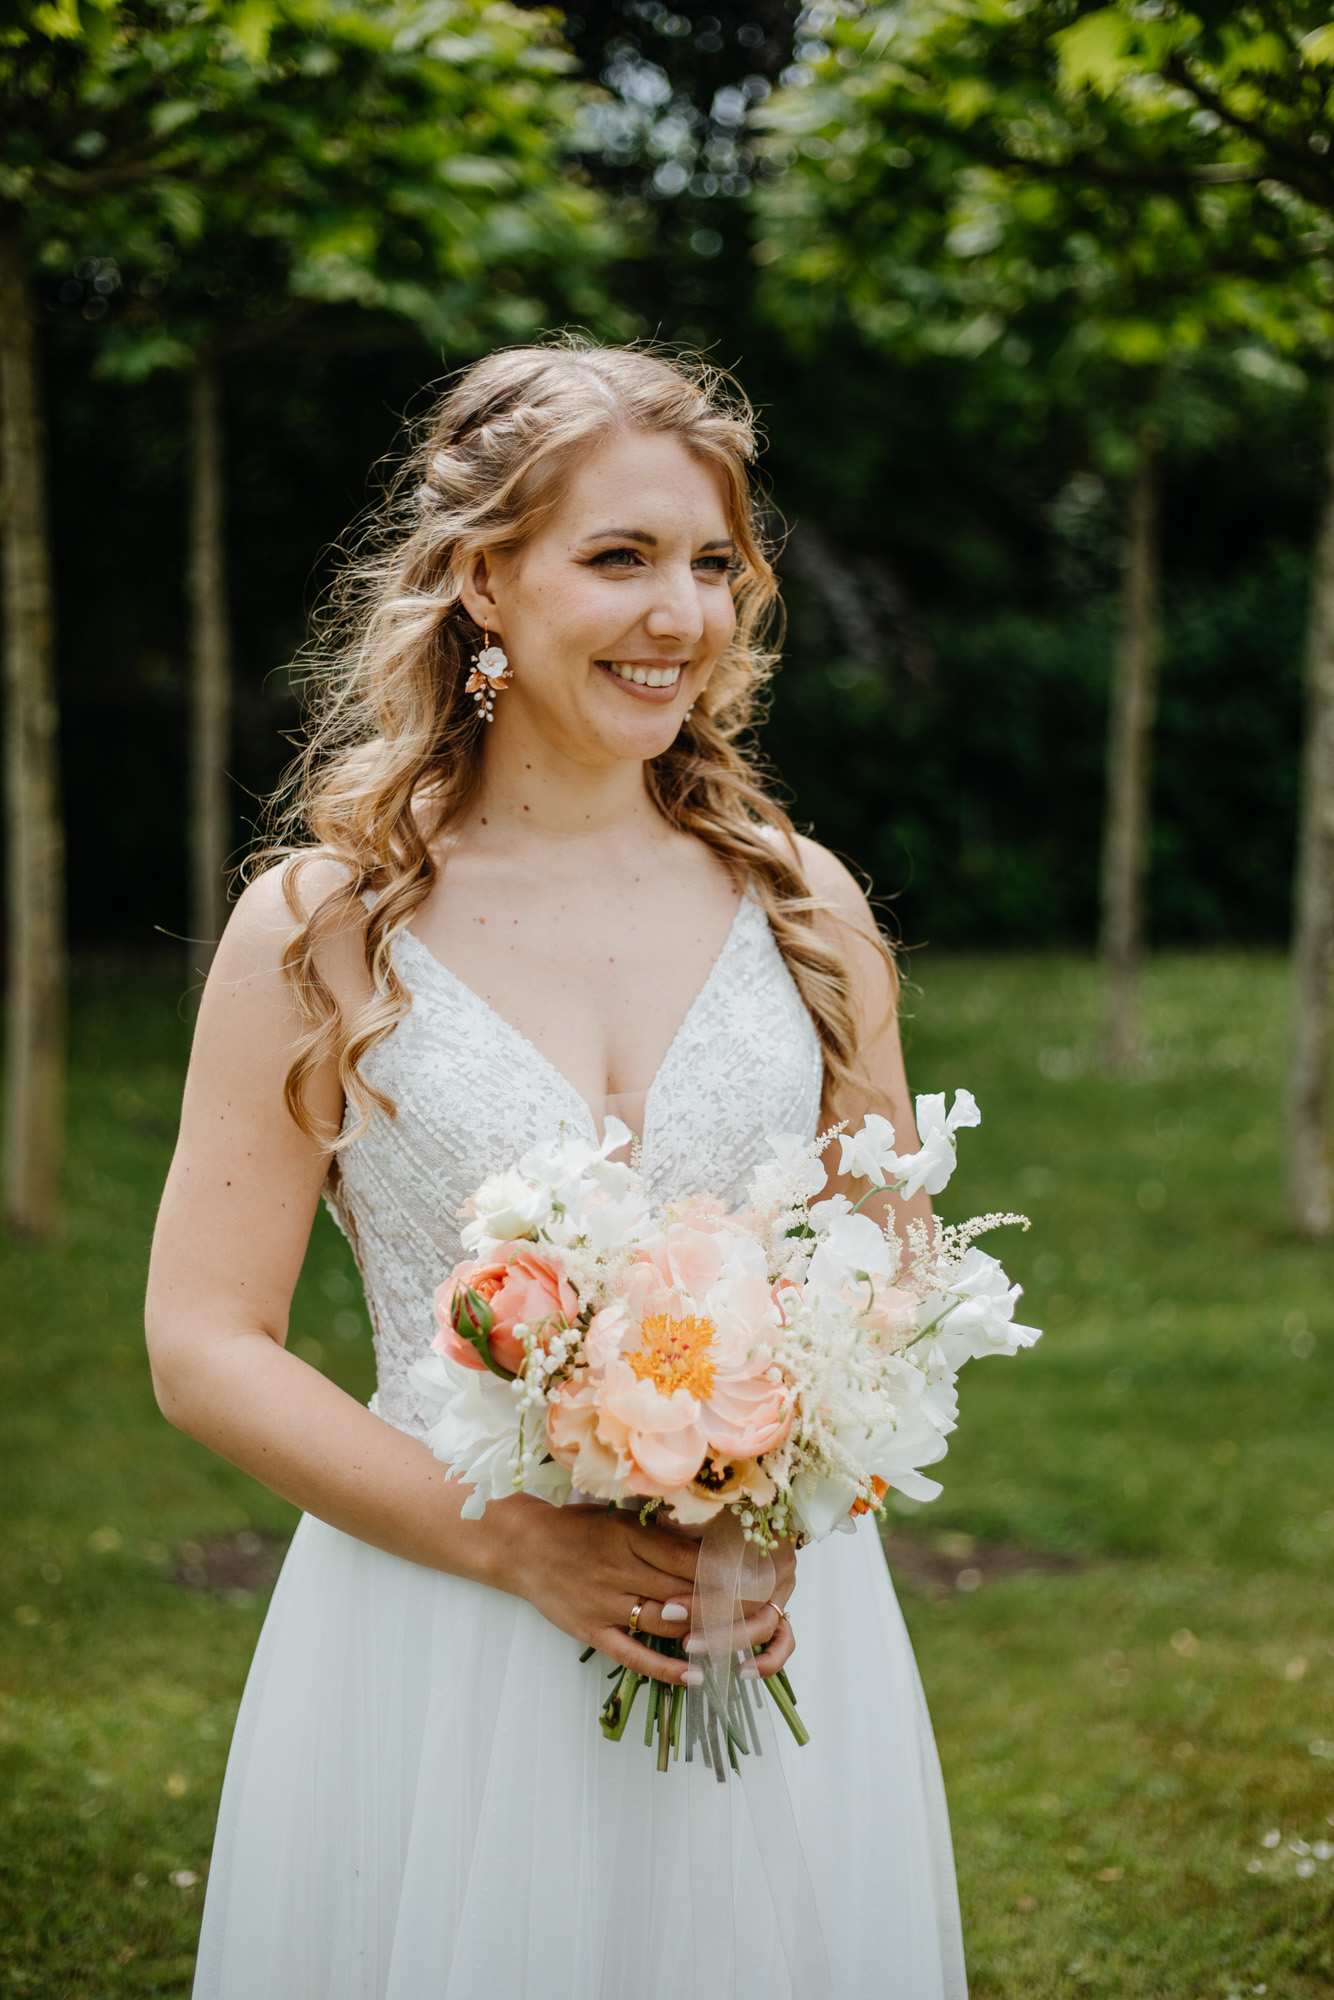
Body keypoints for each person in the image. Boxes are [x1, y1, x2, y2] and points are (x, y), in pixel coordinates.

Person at [145, 342, 966, 2000]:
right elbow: (202, 1344)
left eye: (710, 563)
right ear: (480, 585)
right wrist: (508, 1537)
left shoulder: (805, 909)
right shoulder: (322, 927)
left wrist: (782, 1482)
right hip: (433, 1629)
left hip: (762, 1610)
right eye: (618, 558)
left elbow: (895, 1273)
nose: (680, 612)